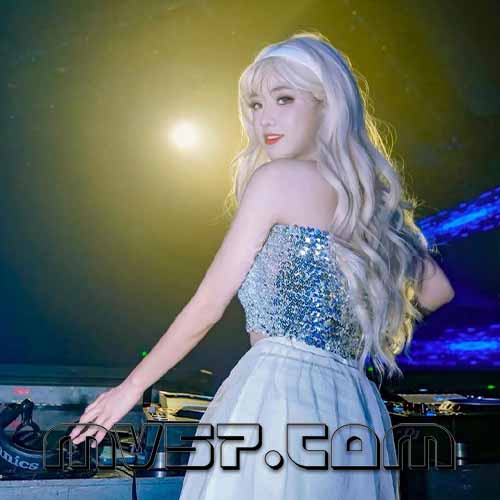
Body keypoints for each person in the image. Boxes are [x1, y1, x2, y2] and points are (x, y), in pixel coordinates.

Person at [69, 31, 455, 499]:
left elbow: (208, 305)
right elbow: (438, 291)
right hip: (352, 405)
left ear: (327, 104)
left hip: (281, 394)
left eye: (284, 99)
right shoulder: (371, 206)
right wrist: (354, 332)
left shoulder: (276, 180)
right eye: (255, 105)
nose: (264, 118)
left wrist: (129, 390)